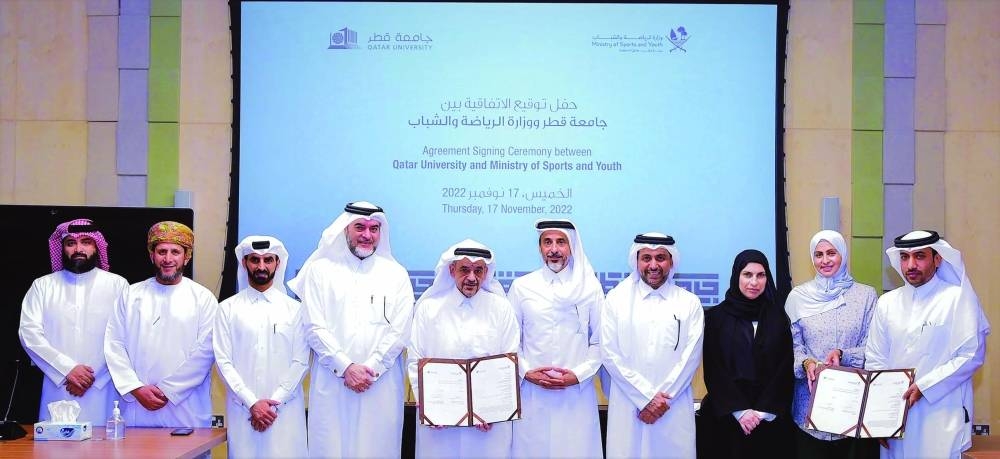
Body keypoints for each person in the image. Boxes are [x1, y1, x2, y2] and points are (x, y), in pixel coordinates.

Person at [287, 202, 414, 458]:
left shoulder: (396, 274)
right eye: (360, 227)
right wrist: (346, 367)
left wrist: (371, 369)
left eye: (374, 228)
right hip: (333, 382)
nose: (367, 235)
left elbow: (400, 331)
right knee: (332, 448)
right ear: (346, 229)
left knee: (378, 449)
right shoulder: (320, 271)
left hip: (380, 385)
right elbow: (313, 326)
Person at [865, 230, 990, 458]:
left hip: (942, 411)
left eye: (920, 256)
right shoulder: (887, 303)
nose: (911, 264)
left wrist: (925, 386)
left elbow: (971, 355)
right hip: (896, 415)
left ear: (937, 258)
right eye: (905, 257)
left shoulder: (957, 298)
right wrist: (878, 417)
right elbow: (875, 359)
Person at [407, 240, 520, 458]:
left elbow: (509, 361)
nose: (471, 277)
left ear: (486, 272)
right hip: (439, 425)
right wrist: (431, 408)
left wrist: (492, 410)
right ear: (451, 270)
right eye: (464, 269)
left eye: (478, 270)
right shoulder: (428, 309)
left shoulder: (501, 308)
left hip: (488, 425)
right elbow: (415, 360)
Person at [104, 221, 218, 427]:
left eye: (175, 252)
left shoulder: (203, 298)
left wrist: (169, 390)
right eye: (161, 251)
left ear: (187, 256)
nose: (168, 259)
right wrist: (135, 388)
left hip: (186, 406)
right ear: (151, 255)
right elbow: (114, 345)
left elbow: (205, 353)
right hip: (137, 404)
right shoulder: (130, 295)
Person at [601, 233, 704, 459]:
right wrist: (645, 398)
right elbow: (609, 354)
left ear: (671, 261)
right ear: (636, 261)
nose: (653, 265)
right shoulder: (616, 300)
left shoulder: (689, 302)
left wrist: (661, 401)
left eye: (661, 258)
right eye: (646, 258)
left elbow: (691, 357)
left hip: (672, 407)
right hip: (629, 405)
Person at [508, 220, 604, 458]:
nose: (554, 249)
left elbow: (601, 341)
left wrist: (578, 375)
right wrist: (527, 371)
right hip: (532, 393)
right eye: (547, 242)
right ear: (540, 248)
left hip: (576, 394)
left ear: (571, 246)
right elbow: (510, 341)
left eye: (561, 242)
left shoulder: (590, 288)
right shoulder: (522, 287)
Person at [19, 219, 129, 423]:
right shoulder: (43, 286)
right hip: (58, 385)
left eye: (86, 242)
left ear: (96, 246)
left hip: (104, 388)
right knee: (56, 449)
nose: (78, 248)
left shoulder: (117, 285)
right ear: (62, 248)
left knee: (105, 449)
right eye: (70, 243)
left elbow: (124, 337)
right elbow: (29, 335)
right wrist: (67, 370)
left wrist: (90, 378)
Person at [785, 230, 879, 459]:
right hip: (809, 407)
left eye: (831, 253)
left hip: (854, 409)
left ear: (843, 255)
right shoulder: (798, 297)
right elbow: (791, 347)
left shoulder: (866, 296)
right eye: (818, 254)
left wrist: (843, 354)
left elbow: (874, 348)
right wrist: (807, 362)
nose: (825, 260)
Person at [214, 236, 309, 458]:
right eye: (255, 260)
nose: (261, 266)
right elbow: (223, 362)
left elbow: (301, 361)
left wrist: (273, 404)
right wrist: (252, 403)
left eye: (268, 260)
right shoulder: (227, 309)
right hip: (243, 411)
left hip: (284, 412)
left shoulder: (295, 310)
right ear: (245, 263)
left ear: (278, 263)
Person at [698, 249, 793, 459]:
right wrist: (741, 412)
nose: (754, 282)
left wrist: (760, 413)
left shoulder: (778, 317)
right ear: (736, 276)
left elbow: (784, 368)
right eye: (747, 274)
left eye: (761, 275)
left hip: (768, 419)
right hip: (726, 419)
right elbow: (714, 369)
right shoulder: (716, 317)